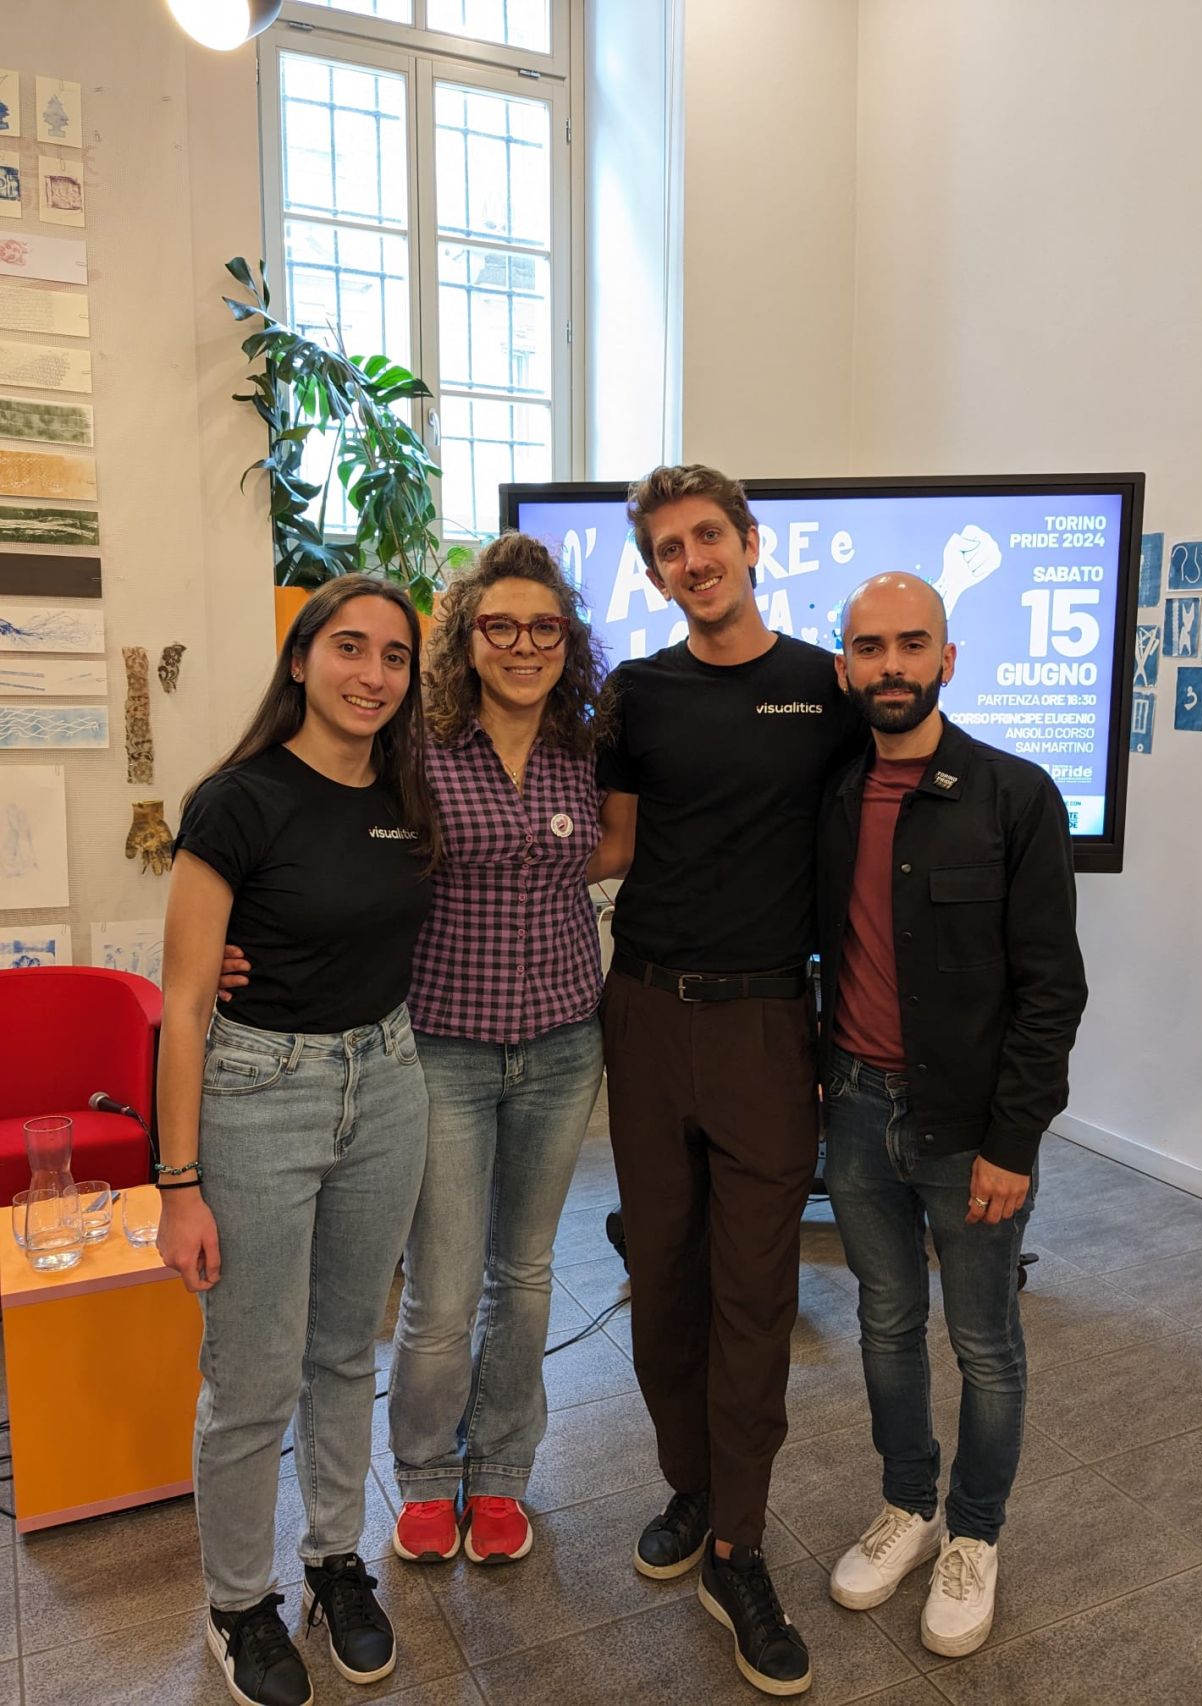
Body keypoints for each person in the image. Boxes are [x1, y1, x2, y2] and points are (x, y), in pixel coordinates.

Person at [596, 464, 861, 1697]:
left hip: (765, 1023)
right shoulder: (633, 694)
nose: (693, 560)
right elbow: (600, 846)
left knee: (753, 1295)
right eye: (669, 548)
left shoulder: (822, 687)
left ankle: (737, 1547)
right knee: (662, 1282)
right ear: (653, 572)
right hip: (644, 1015)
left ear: (749, 545)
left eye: (709, 537)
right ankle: (688, 1487)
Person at [157, 575, 438, 1706]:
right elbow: (182, 1001)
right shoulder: (236, 798)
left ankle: (334, 1562)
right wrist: (179, 1182)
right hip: (259, 1090)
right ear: (301, 657)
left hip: (388, 1079)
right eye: (349, 648)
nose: (372, 673)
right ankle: (237, 1600)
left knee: (341, 1352)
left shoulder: (407, 791)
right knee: (251, 1376)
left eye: (395, 657)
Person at [816, 572, 1087, 1657]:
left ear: (946, 657)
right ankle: (908, 1505)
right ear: (842, 667)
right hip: (852, 1108)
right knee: (883, 1325)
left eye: (908, 643)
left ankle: (974, 1532)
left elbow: (1049, 989)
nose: (889, 664)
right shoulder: (830, 795)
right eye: (867, 647)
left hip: (968, 1124)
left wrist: (1013, 1140)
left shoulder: (1014, 794)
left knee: (983, 1343)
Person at [387, 532, 618, 1568]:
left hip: (565, 1040)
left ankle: (501, 1476)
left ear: (565, 640)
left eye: (543, 626)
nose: (523, 642)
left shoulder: (586, 746)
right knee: (441, 1284)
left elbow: (613, 848)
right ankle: (429, 1476)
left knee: (522, 1274)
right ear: (465, 638)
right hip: (444, 1045)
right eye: (500, 624)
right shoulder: (418, 745)